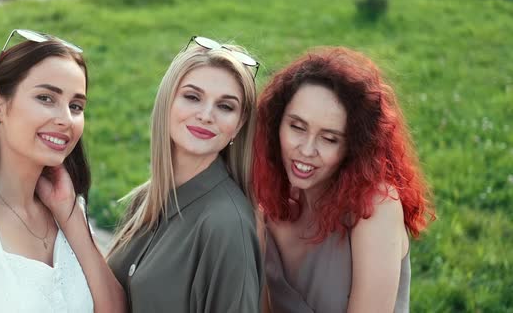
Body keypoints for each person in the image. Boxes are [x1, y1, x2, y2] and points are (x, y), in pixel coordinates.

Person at [0, 29, 125, 312]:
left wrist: (70, 216)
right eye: (46, 98)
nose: (65, 119)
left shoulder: (66, 217)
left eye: (76, 106)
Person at [253, 47, 436, 313]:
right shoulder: (264, 196)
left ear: (355, 146)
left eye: (329, 138)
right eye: (297, 127)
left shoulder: (376, 205)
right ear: (276, 124)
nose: (306, 150)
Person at [106, 36, 263, 312]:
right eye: (192, 97)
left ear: (238, 126)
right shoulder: (146, 199)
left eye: (225, 106)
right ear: (167, 102)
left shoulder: (226, 225)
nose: (206, 115)